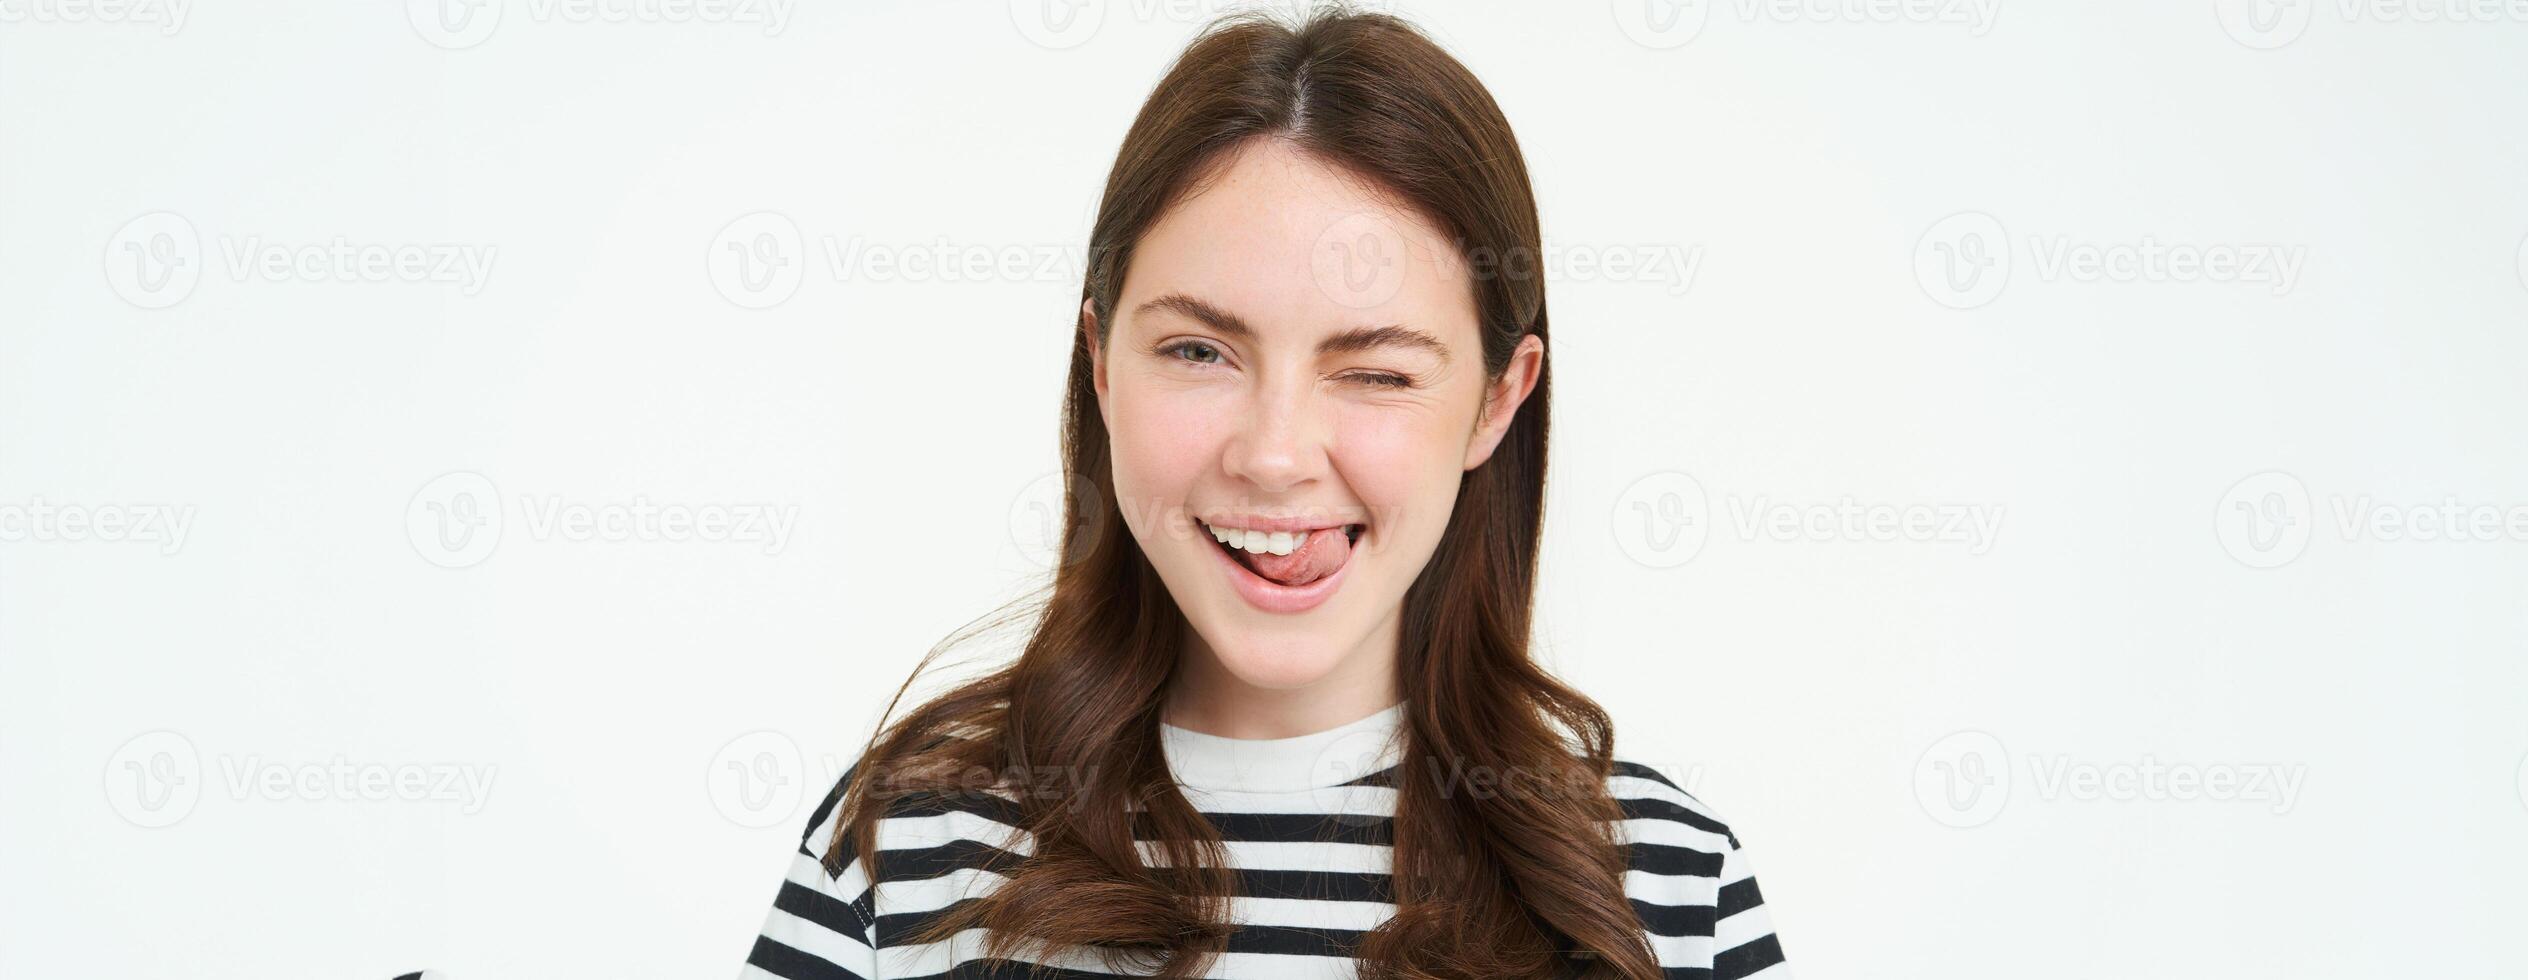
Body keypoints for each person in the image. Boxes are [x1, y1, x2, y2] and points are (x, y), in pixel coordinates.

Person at [742, 5, 1789, 978]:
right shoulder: (902, 853)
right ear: (1102, 365)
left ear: (1494, 401)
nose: (1275, 454)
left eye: (1375, 371)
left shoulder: (1663, 885)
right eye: (1198, 350)